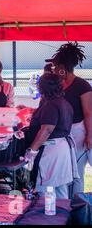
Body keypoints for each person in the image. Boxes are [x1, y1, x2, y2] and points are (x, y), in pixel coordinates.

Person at [46, 42, 92, 196]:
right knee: (70, 173)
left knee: (77, 172)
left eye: (55, 67)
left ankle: (77, 204)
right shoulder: (59, 86)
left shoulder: (82, 85)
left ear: (62, 70)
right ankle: (71, 206)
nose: (53, 70)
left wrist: (89, 135)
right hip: (65, 134)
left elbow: (88, 113)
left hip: (80, 131)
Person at [23, 73, 78, 199]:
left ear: (42, 88)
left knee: (46, 190)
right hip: (62, 149)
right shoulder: (64, 103)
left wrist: (32, 151)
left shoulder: (51, 104)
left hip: (51, 151)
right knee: (60, 190)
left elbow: (46, 130)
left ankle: (47, 217)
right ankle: (64, 217)